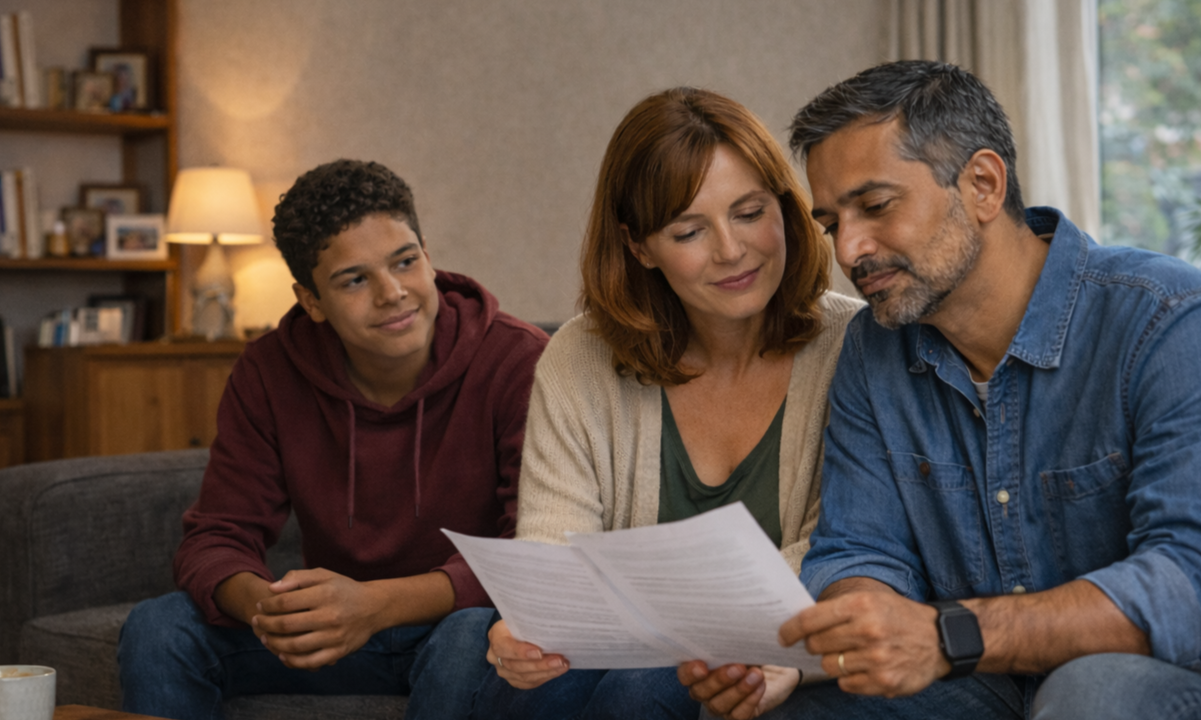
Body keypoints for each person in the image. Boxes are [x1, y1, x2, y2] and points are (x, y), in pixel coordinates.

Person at [680, 59, 1201, 719]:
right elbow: (862, 552)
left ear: (983, 184)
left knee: (1089, 694)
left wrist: (946, 634)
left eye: (876, 206)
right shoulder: (874, 350)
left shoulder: (1173, 321)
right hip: (983, 682)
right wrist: (843, 637)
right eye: (831, 224)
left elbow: (1195, 589)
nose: (849, 250)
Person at [468, 87, 863, 720]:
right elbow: (553, 545)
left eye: (749, 211)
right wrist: (528, 628)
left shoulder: (855, 344)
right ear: (639, 246)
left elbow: (843, 546)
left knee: (643, 688)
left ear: (786, 210)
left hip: (782, 645)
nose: (731, 250)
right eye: (688, 231)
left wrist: (669, 613)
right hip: (620, 647)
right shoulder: (580, 356)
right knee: (511, 673)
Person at [116, 159, 548, 720]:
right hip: (338, 641)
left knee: (471, 637)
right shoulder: (269, 372)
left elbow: (534, 552)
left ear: (428, 254)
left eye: (405, 261)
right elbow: (216, 536)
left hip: (457, 626)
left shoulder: (519, 360)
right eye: (354, 279)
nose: (393, 293)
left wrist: (374, 605)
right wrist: (272, 609)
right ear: (310, 300)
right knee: (159, 626)